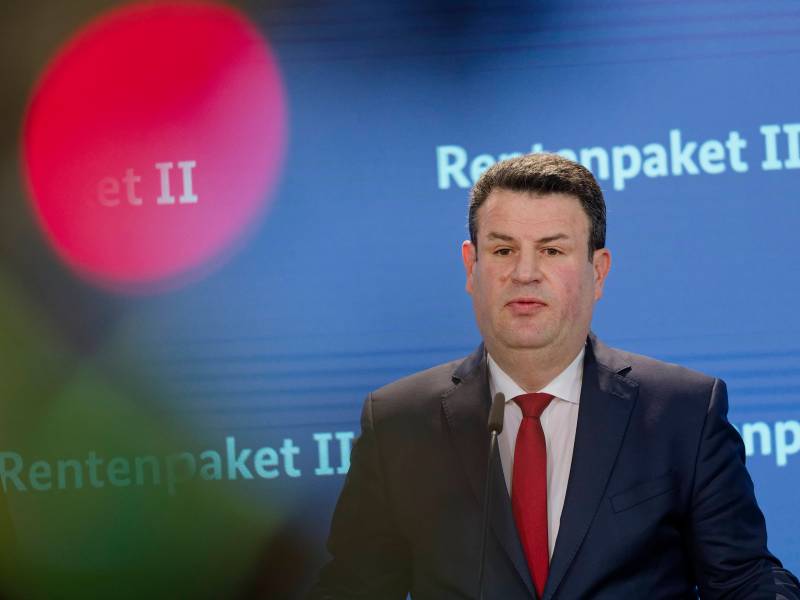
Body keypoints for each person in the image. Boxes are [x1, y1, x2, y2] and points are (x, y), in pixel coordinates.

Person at [308, 153, 800, 599]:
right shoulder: (399, 422)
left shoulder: (683, 412)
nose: (525, 273)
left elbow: (742, 579)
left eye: (552, 250)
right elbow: (353, 588)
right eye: (502, 251)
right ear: (470, 266)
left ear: (598, 271)